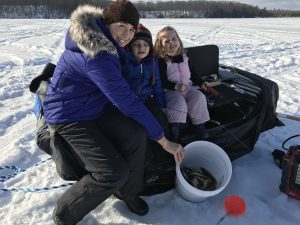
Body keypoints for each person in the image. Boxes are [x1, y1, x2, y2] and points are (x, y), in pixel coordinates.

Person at [43, 1, 184, 224]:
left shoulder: (105, 41)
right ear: (107, 23)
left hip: (94, 106)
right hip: (68, 114)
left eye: (131, 29)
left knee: (136, 134)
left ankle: (128, 191)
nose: (127, 35)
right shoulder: (96, 54)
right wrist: (163, 140)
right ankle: (65, 213)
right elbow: (126, 101)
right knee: (112, 172)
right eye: (122, 26)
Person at [122, 24, 173, 168]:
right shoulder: (124, 61)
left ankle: (165, 159)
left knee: (161, 122)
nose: (141, 48)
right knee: (140, 131)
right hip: (129, 104)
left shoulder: (152, 62)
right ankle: (148, 162)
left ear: (150, 47)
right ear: (130, 46)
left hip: (146, 100)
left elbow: (157, 85)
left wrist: (162, 105)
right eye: (137, 44)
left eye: (145, 44)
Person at [154, 26, 210, 142]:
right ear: (161, 46)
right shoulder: (162, 61)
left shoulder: (185, 57)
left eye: (174, 39)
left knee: (199, 97)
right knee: (178, 103)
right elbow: (162, 81)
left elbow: (193, 73)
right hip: (171, 91)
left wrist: (200, 82)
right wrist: (175, 86)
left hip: (188, 88)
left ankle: (200, 125)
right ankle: (175, 129)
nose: (171, 42)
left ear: (178, 40)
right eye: (167, 41)